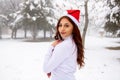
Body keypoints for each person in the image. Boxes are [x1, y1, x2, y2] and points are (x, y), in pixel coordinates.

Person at [43, 10, 84, 80]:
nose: (62, 29)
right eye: (60, 25)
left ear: (74, 28)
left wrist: (51, 47)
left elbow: (46, 68)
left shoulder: (64, 46)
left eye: (66, 26)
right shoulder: (72, 42)